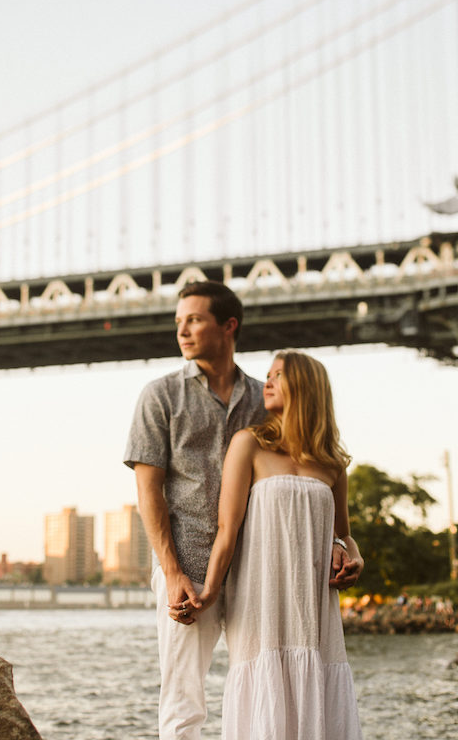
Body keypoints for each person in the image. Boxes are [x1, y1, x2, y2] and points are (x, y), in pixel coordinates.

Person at [124, 283, 361, 740]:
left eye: (194, 319)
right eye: (179, 322)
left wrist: (341, 547)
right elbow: (149, 493)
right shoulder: (161, 396)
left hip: (261, 576)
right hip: (191, 566)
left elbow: (307, 484)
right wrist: (171, 571)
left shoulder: (263, 397)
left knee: (268, 683)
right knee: (184, 699)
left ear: (228, 326)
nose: (183, 331)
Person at [192, 350, 364, 740]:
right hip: (260, 602)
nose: (266, 381)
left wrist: (356, 559)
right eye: (267, 374)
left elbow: (344, 534)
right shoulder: (248, 444)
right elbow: (227, 528)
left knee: (315, 694)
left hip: (314, 606)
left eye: (279, 375)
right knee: (263, 702)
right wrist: (210, 591)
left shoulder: (333, 463)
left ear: (306, 386)